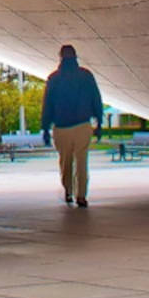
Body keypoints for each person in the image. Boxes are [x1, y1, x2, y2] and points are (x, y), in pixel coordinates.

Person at [40, 44, 103, 207]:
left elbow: (47, 105)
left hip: (62, 127)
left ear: (60, 57)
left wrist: (45, 128)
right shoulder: (86, 76)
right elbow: (96, 99)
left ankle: (68, 190)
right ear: (75, 57)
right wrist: (100, 122)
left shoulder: (54, 78)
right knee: (82, 163)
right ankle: (81, 195)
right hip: (82, 125)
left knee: (65, 162)